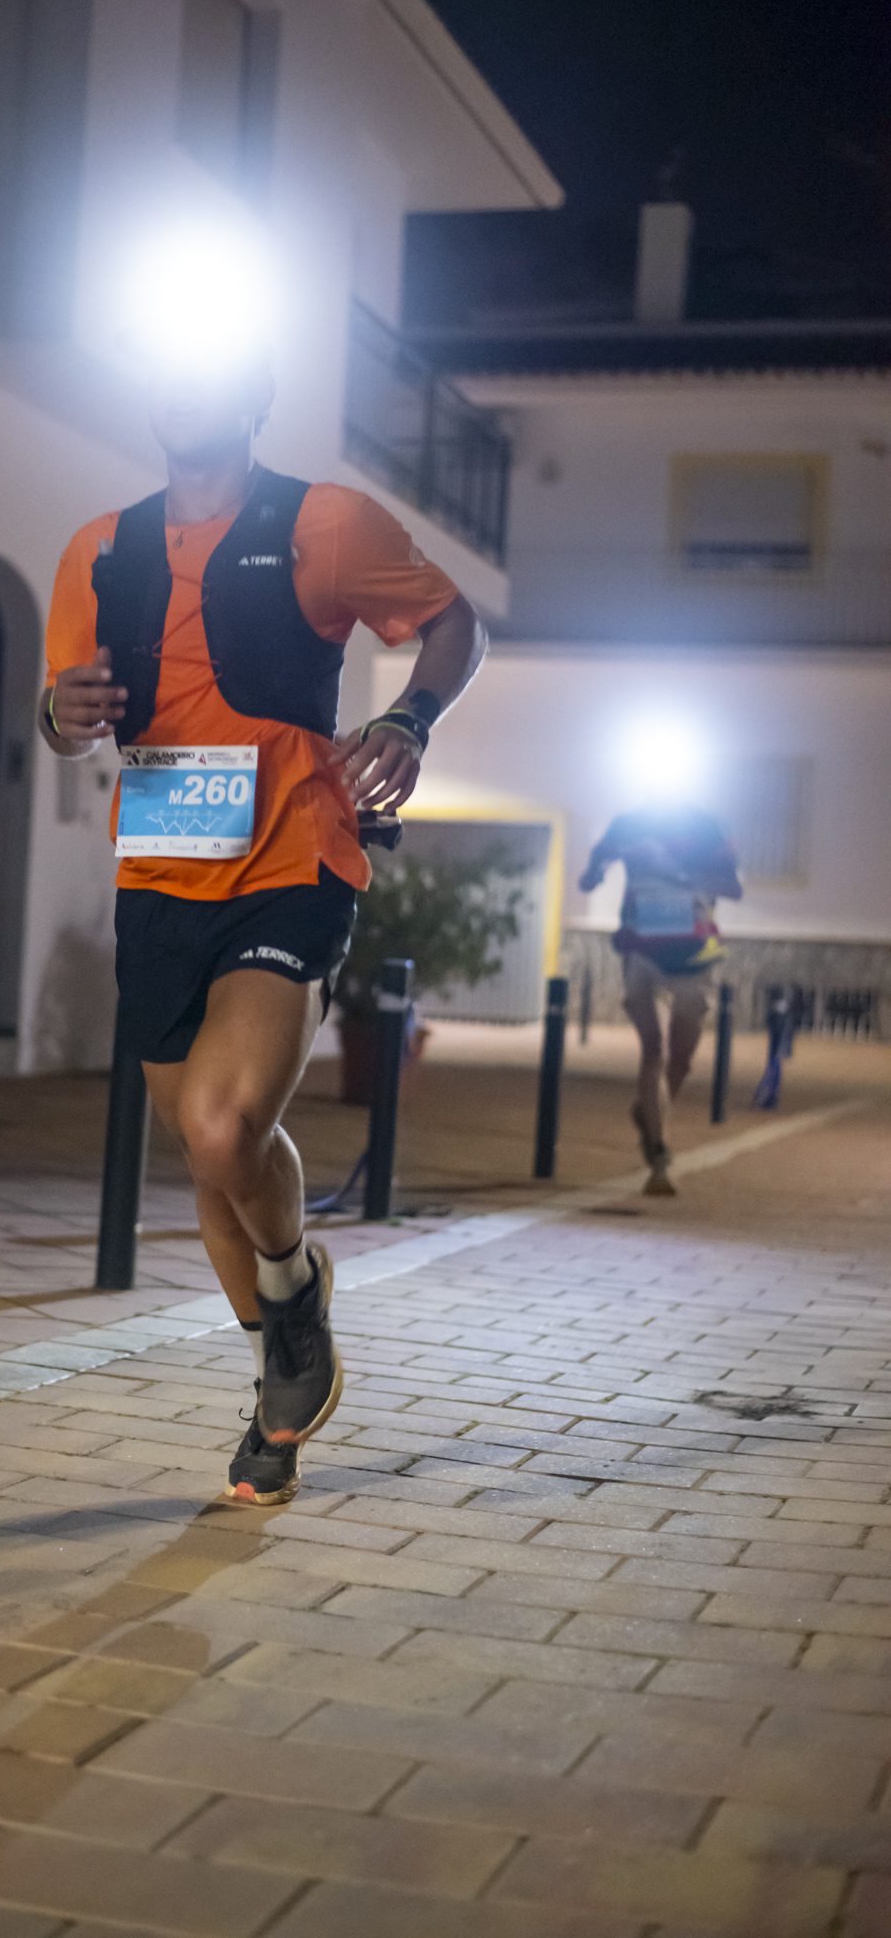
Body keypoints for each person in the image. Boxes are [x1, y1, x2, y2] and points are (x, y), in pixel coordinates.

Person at [39, 298, 484, 1505]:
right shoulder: (99, 549)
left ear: (252, 396)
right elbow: (65, 706)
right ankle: (280, 1366)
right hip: (159, 870)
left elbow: (454, 622)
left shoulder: (322, 522)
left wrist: (408, 717)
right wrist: (60, 713)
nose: (181, 386)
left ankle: (291, 1302)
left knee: (226, 1124)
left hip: (294, 853)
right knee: (204, 1152)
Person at [579, 803, 742, 1194]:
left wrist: (678, 872)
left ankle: (647, 1109)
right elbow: (589, 877)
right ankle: (658, 1153)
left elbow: (733, 888)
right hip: (641, 950)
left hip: (693, 956)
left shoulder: (704, 826)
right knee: (653, 1049)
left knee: (681, 1060)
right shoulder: (627, 824)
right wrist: (600, 868)